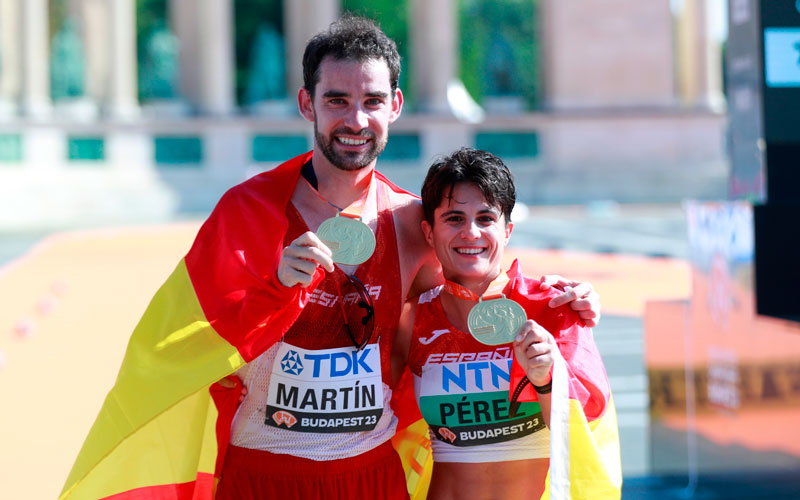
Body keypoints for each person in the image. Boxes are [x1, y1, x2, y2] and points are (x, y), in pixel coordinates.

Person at [59, 16, 601, 500]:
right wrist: (273, 288)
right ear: (307, 104)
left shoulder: (413, 222)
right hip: (263, 473)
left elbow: (476, 288)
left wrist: (556, 295)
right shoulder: (247, 213)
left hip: (371, 476)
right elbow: (182, 340)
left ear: (395, 106)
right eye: (337, 100)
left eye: (370, 101)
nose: (355, 120)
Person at [395, 148, 620, 499]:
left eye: (485, 218)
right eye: (454, 218)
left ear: (507, 230)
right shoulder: (411, 320)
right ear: (429, 231)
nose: (471, 232)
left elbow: (589, 425)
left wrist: (547, 380)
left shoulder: (552, 307)